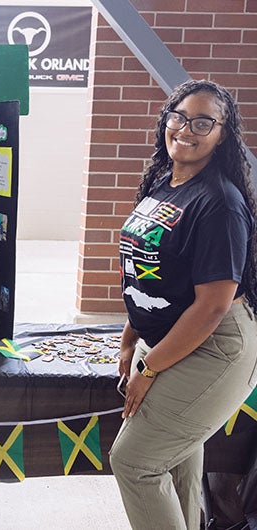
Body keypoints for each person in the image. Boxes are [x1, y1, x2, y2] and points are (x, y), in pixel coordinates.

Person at [111, 79, 257, 529]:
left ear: (222, 134)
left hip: (214, 346)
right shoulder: (164, 183)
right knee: (175, 459)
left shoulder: (220, 204)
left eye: (203, 122)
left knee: (135, 461)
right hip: (173, 339)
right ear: (165, 120)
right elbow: (145, 267)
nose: (186, 129)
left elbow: (212, 307)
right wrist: (130, 336)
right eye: (179, 116)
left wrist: (150, 367)